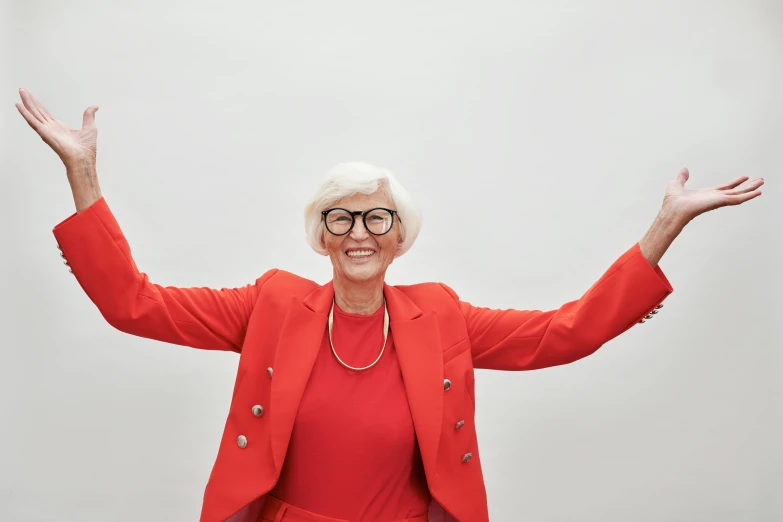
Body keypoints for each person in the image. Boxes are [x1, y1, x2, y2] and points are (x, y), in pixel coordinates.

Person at [15, 88, 763, 522]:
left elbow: (560, 334)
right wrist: (84, 173)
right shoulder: (271, 306)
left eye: (377, 217)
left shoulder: (439, 316)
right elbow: (133, 304)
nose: (359, 231)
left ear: (399, 236)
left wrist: (663, 226)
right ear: (320, 235)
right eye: (340, 216)